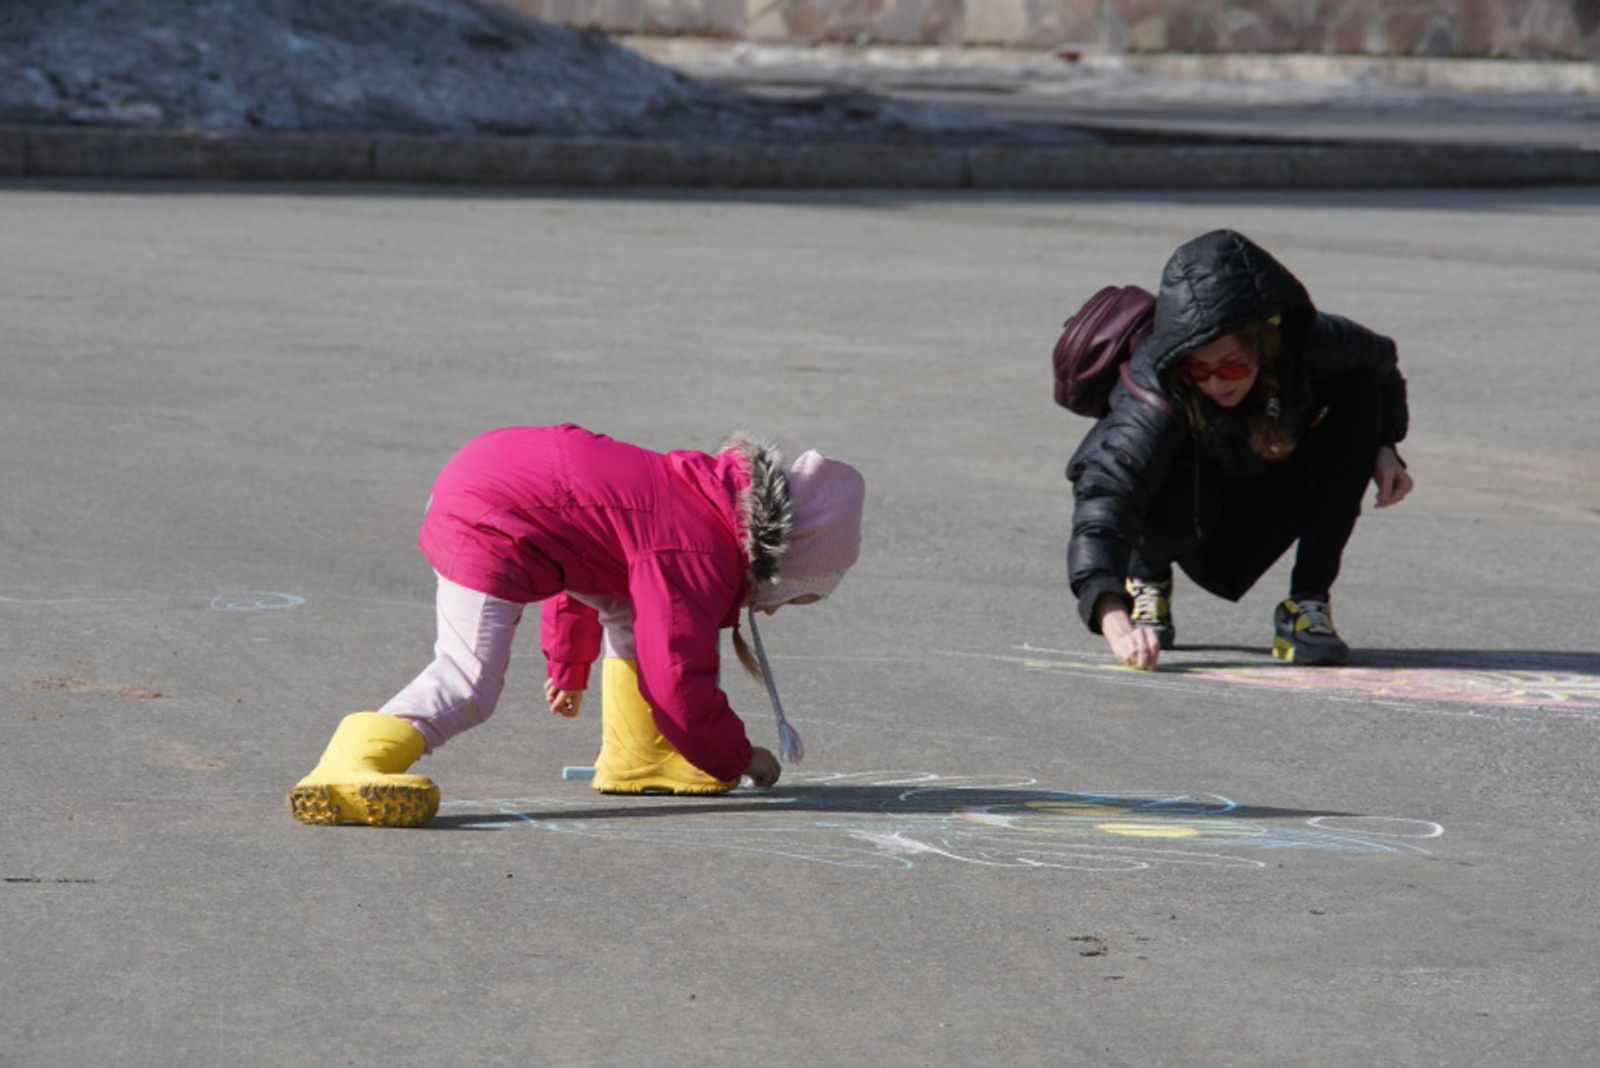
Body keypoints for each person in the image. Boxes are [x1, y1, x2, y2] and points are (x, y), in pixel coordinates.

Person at [288, 423, 865, 827]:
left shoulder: (693, 498)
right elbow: (677, 677)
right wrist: (738, 757)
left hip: (500, 479)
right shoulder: (696, 548)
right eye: (788, 598)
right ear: (784, 559)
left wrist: (570, 663)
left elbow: (585, 551)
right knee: (469, 682)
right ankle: (349, 764)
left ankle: (642, 755)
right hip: (491, 516)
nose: (767, 611)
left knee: (630, 606)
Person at [1065, 229, 1413, 670]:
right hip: (1185, 511)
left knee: (1357, 392)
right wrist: (1113, 617)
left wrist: (1385, 446)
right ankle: (1147, 577)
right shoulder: (1155, 385)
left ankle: (1307, 605)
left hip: (1262, 485)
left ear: (1264, 348)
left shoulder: (1306, 343)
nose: (1215, 382)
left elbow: (1380, 361)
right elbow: (1106, 495)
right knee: (1150, 462)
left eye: (1231, 365)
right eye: (1200, 371)